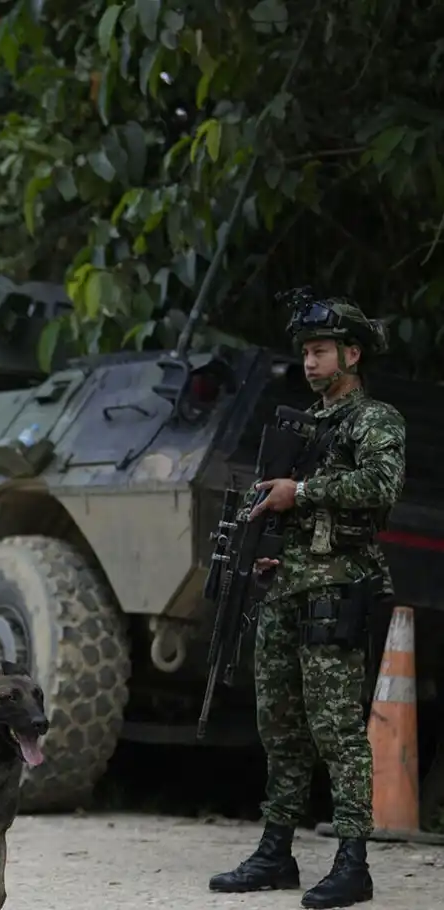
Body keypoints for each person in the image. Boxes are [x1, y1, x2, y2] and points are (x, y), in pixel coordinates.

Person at [209, 290, 405, 909]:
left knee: (338, 731)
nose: (311, 363)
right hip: (288, 587)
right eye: (305, 353)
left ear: (351, 353)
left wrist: (304, 490)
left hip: (338, 590)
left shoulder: (375, 420)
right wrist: (271, 548)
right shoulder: (305, 425)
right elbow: (294, 510)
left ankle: (353, 861)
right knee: (281, 727)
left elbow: (380, 484)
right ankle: (276, 851)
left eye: (321, 351)